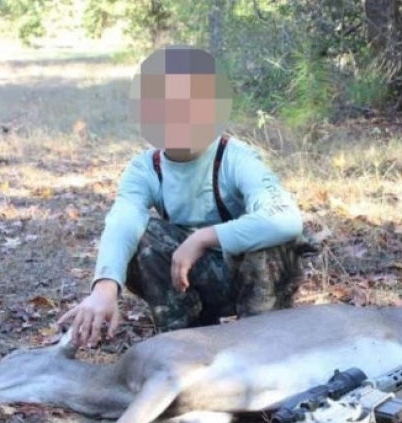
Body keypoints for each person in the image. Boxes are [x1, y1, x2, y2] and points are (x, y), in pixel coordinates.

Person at [58, 45, 308, 347]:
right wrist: (104, 287)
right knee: (143, 235)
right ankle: (185, 341)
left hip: (254, 281)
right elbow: (123, 221)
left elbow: (286, 220)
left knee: (268, 240)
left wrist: (202, 238)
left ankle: (261, 342)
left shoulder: (236, 157)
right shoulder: (145, 168)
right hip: (192, 277)